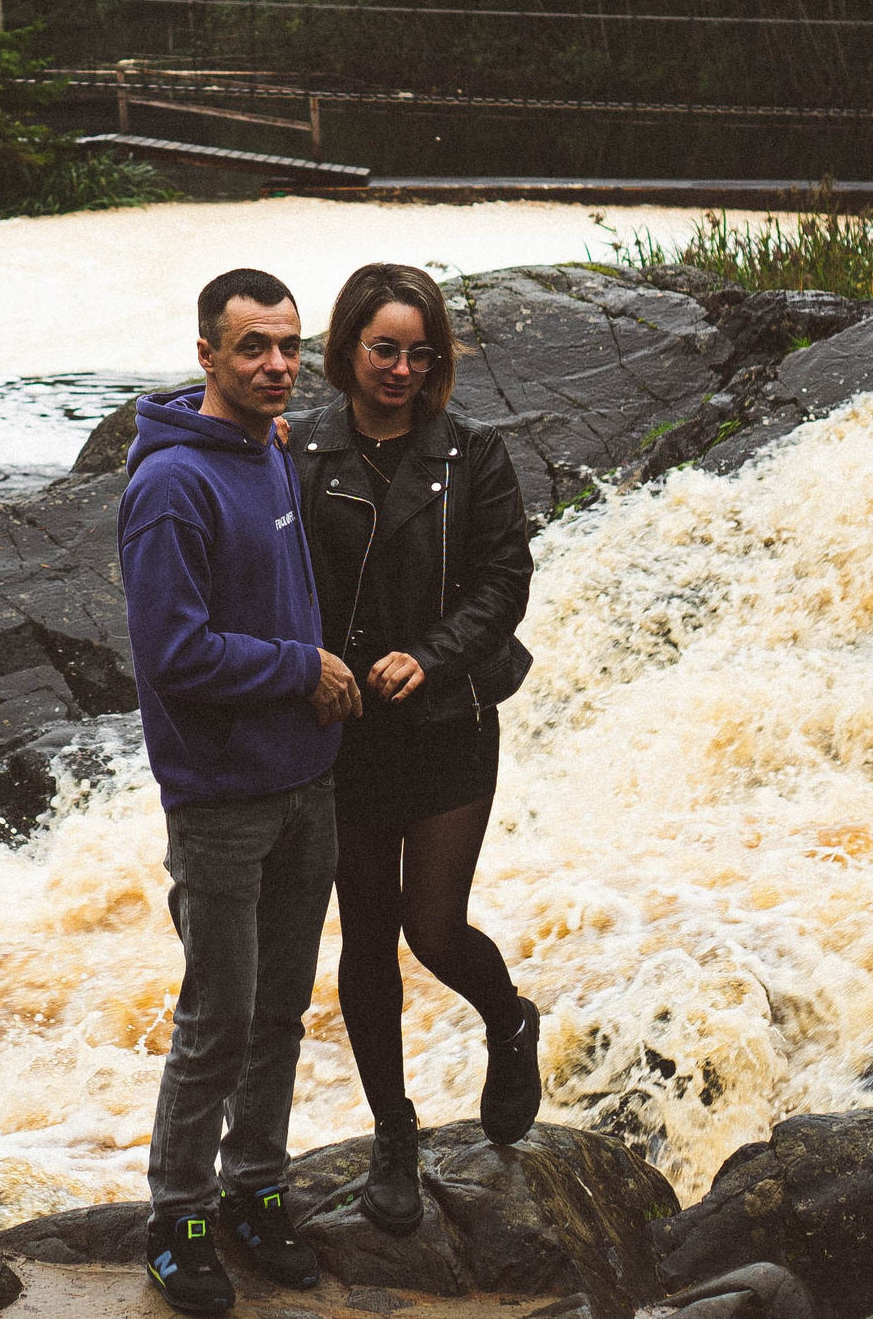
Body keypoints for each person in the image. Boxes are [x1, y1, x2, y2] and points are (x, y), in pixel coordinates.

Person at [120, 267, 362, 1315]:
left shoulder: (270, 451)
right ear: (207, 354)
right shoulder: (169, 485)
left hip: (304, 782)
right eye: (253, 347)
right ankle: (178, 1217)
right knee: (217, 1017)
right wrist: (300, 669)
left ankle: (256, 1189)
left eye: (287, 347)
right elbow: (173, 653)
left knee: (279, 1013)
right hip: (220, 796)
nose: (275, 367)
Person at [287, 261, 539, 1236]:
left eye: (416, 352)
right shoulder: (300, 449)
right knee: (366, 941)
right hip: (343, 728)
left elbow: (502, 580)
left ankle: (508, 1020)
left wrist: (428, 660)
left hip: (445, 720)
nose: (399, 368)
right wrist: (305, 663)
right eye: (382, 348)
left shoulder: (470, 455)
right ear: (347, 347)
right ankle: (395, 1133)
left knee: (434, 930)